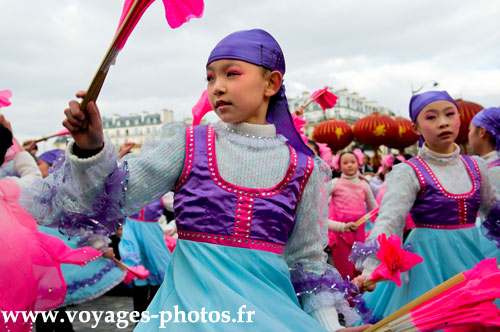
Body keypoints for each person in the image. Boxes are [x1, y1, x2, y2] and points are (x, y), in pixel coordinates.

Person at [24, 29, 371, 331]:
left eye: (231, 74)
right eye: (209, 77)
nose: (217, 87)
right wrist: (92, 149)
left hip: (269, 314)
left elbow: (307, 260)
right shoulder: (188, 145)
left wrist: (328, 325)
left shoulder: (305, 168)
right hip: (187, 314)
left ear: (272, 83)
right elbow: (112, 199)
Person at [351, 91, 499, 322]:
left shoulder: (477, 166)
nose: (443, 122)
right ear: (416, 128)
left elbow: (492, 209)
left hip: (472, 261)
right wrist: (372, 270)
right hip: (427, 264)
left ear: (459, 119)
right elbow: (390, 222)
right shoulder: (409, 171)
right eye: (431, 117)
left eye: (450, 114)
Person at [328, 151, 377, 279]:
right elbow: (321, 204)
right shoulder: (334, 183)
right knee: (345, 272)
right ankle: (346, 298)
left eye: (352, 162)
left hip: (359, 234)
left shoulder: (364, 185)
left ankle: (358, 297)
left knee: (359, 270)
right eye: (345, 163)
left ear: (358, 163)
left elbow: (375, 208)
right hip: (340, 235)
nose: (349, 165)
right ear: (339, 166)